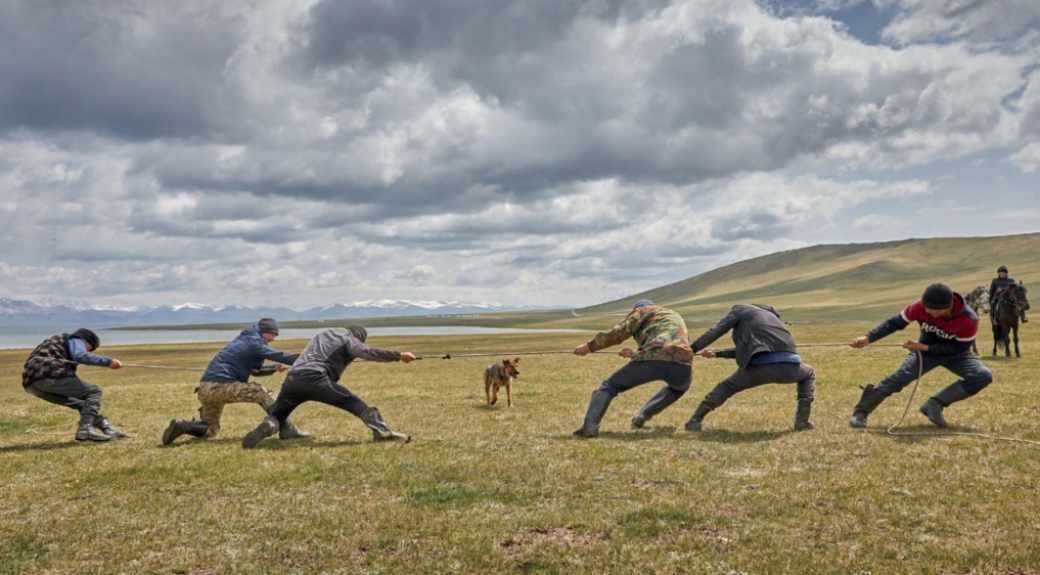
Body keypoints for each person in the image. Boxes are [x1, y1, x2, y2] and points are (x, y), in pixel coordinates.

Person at [242, 325, 416, 448]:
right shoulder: (348, 338)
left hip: (292, 379)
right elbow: (366, 352)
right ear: (358, 336)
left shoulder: (323, 334)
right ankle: (382, 432)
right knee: (352, 402)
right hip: (314, 378)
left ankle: (272, 426)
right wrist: (398, 355)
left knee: (279, 414)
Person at [849, 283, 992, 428]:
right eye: (926, 307)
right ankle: (861, 412)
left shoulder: (969, 319)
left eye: (932, 309)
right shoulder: (920, 307)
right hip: (924, 353)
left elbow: (959, 348)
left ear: (947, 306)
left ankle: (935, 404)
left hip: (955, 353)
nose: (927, 311)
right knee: (901, 377)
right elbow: (894, 323)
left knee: (983, 376)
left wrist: (924, 346)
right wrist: (868, 338)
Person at [162, 318, 307, 444]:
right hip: (221, 387)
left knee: (211, 429)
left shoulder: (244, 340)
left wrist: (274, 368)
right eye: (272, 334)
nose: (273, 339)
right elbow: (278, 355)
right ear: (264, 330)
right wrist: (307, 359)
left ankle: (183, 426)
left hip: (204, 389)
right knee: (264, 394)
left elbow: (255, 371)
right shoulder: (255, 342)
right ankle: (287, 429)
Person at [683, 304, 816, 432]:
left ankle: (696, 420)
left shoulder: (740, 309)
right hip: (791, 368)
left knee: (727, 387)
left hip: (757, 370)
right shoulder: (773, 318)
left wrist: (691, 350)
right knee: (808, 372)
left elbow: (716, 331)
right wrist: (718, 354)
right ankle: (802, 421)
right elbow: (756, 349)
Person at [571, 299, 693, 437]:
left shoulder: (641, 311)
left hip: (651, 359)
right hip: (683, 361)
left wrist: (589, 347)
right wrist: (635, 354)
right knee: (679, 388)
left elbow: (618, 333)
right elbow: (671, 343)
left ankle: (590, 427)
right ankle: (641, 417)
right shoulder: (673, 315)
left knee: (610, 386)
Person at [21, 328, 127, 442]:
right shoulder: (76, 339)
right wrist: (108, 362)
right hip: (50, 375)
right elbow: (80, 355)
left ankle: (108, 429)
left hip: (32, 385)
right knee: (94, 392)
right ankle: (86, 429)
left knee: (83, 404)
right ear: (86, 340)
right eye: (88, 349)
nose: (87, 351)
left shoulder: (57, 343)